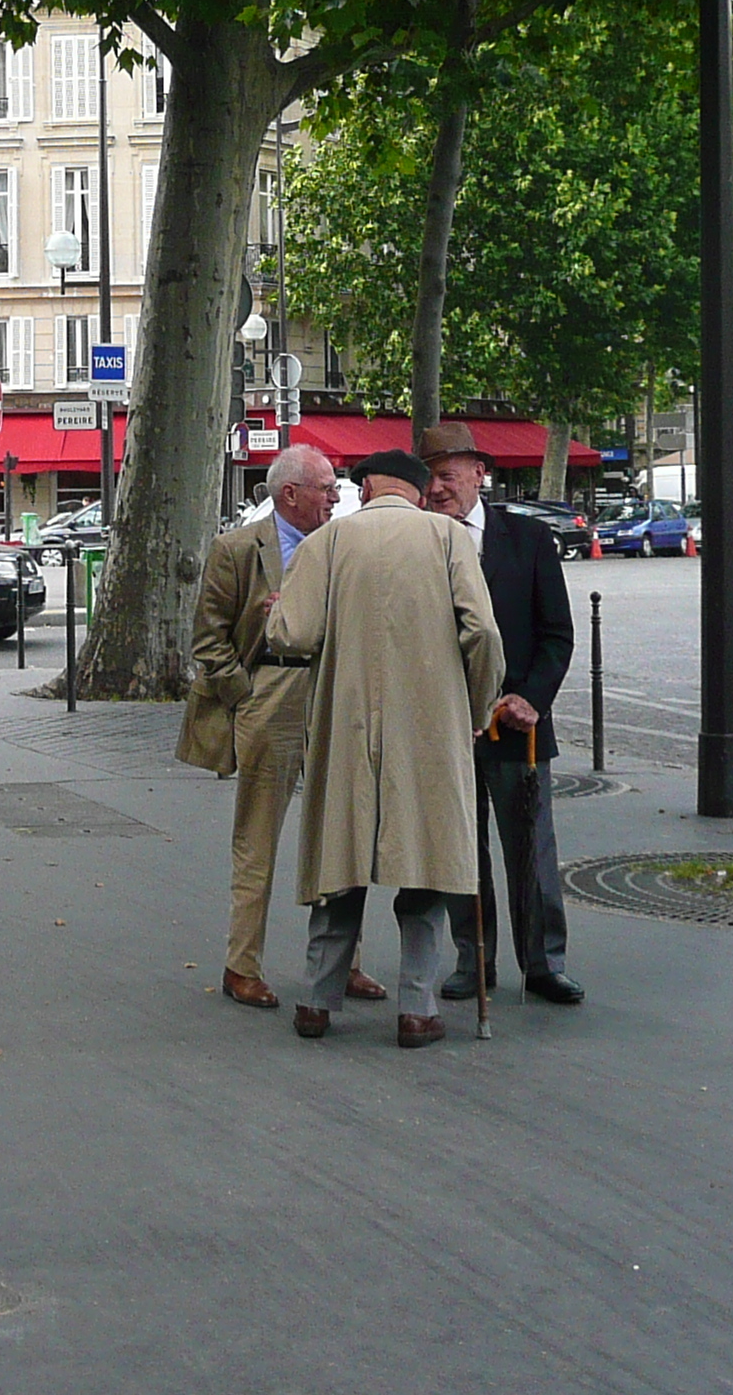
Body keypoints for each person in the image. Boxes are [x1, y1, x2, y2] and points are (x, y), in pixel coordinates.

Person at [265, 449, 522, 1049]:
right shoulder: (446, 538)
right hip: (428, 726)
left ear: (366, 486)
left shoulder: (327, 543)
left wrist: (275, 617)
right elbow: (482, 632)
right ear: (412, 488)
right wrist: (479, 704)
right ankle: (416, 1007)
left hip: (346, 724)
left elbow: (293, 634)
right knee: (425, 864)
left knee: (340, 863)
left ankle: (315, 1001)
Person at [188, 444, 383, 1012]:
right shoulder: (236, 549)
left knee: (341, 829)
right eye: (325, 487)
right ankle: (240, 964)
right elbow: (209, 638)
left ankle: (340, 963)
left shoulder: (343, 544)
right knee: (258, 837)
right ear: (290, 493)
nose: (336, 496)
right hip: (269, 694)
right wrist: (245, 695)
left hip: (331, 691)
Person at [417, 425, 582, 1008]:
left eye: (447, 477)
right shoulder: (421, 543)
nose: (437, 490)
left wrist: (532, 699)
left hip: (517, 725)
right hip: (449, 725)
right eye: (430, 478)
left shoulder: (530, 539)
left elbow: (557, 635)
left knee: (531, 849)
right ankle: (473, 959)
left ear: (479, 473)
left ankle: (543, 963)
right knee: (462, 852)